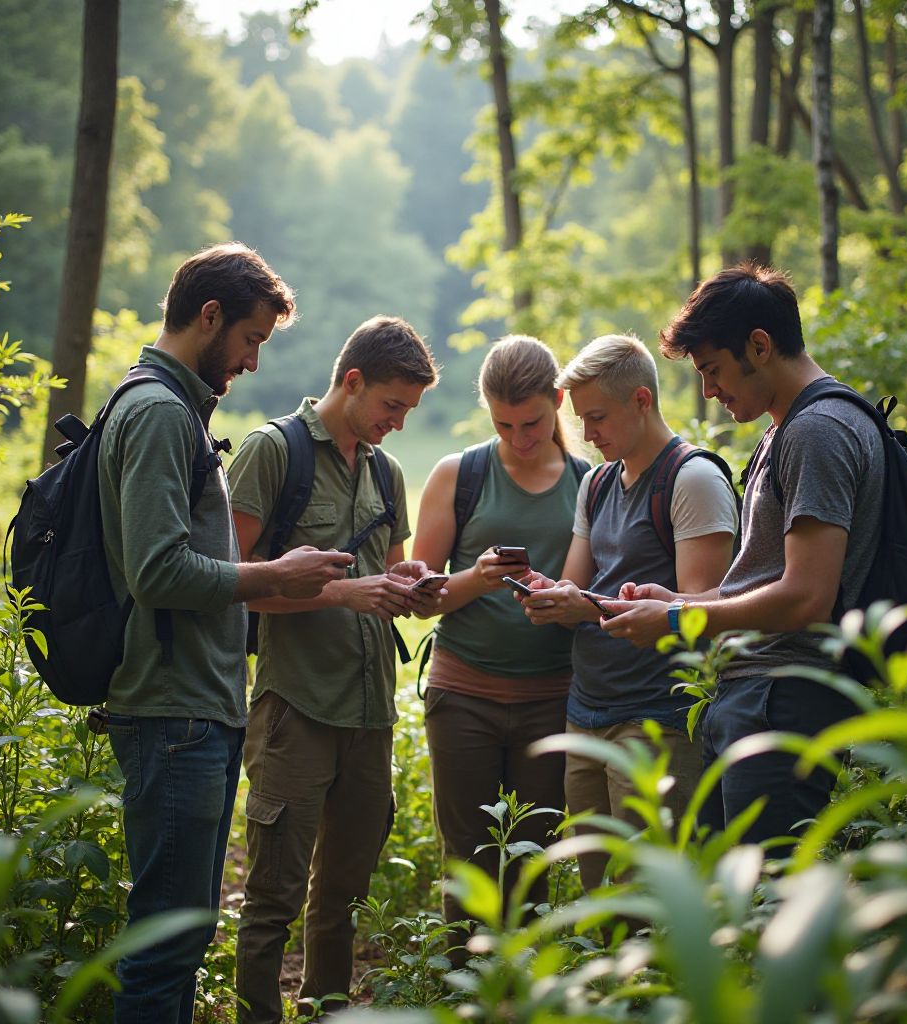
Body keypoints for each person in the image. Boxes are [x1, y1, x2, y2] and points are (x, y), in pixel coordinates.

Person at [98, 243, 355, 1023]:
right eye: (250, 339)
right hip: (170, 711)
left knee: (183, 934)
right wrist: (272, 576)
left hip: (196, 710)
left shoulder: (174, 410)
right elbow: (157, 572)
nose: (249, 361)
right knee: (165, 944)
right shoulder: (155, 413)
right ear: (208, 316)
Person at [602, 263, 884, 852]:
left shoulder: (818, 432)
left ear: (759, 345)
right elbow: (767, 581)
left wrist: (680, 620)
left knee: (766, 896)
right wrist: (676, 601)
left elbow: (807, 598)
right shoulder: (788, 430)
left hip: (783, 701)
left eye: (712, 369)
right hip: (759, 697)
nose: (708, 390)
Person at [228, 315, 440, 1021]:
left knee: (344, 895)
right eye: (391, 406)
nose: (398, 424)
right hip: (296, 707)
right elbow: (229, 581)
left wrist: (407, 581)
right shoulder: (271, 452)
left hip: (371, 711)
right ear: (352, 382)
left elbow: (386, 576)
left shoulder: (389, 471)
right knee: (272, 897)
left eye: (409, 411)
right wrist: (344, 592)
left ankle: (324, 1009)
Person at [519, 334, 738, 891]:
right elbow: (578, 589)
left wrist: (585, 608)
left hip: (656, 720)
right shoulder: (596, 483)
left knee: (653, 895)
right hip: (586, 711)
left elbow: (701, 614)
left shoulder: (693, 480)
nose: (587, 435)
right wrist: (549, 595)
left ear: (641, 401)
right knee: (602, 893)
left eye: (597, 418)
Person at [410, 335, 588, 954]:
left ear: (559, 401)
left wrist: (559, 603)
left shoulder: (590, 484)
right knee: (468, 861)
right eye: (503, 424)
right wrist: (475, 578)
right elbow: (420, 593)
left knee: (535, 860)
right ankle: (466, 991)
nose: (520, 437)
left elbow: (596, 599)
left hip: (553, 700)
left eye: (533, 422)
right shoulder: (460, 474)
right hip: (464, 698)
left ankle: (525, 993)